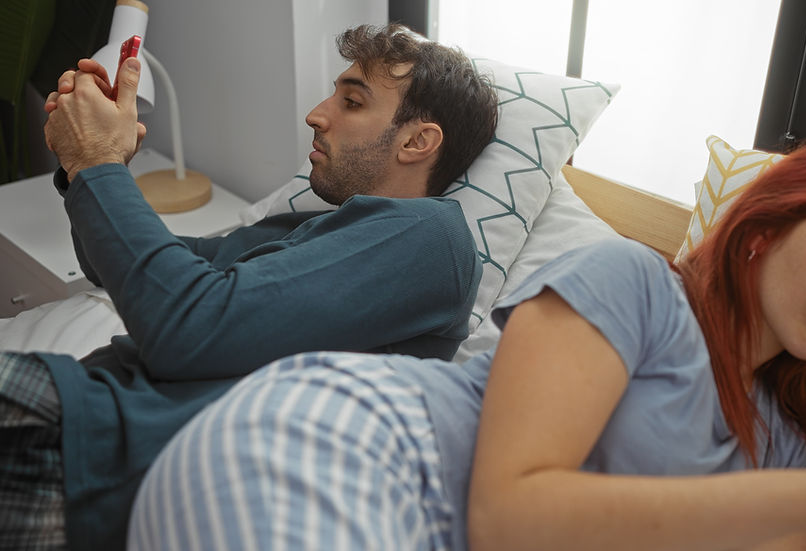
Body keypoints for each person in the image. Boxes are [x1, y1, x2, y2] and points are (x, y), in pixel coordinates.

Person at [130, 116, 806, 551]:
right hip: (352, 450)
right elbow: (508, 513)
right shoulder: (636, 284)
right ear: (767, 225)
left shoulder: (786, 454)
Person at [0, 24, 498, 551]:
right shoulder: (308, 228)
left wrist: (96, 163)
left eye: (351, 102)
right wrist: (90, 167)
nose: (317, 113)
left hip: (88, 449)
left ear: (418, 141)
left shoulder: (430, 237)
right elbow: (134, 273)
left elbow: (187, 326)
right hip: (79, 419)